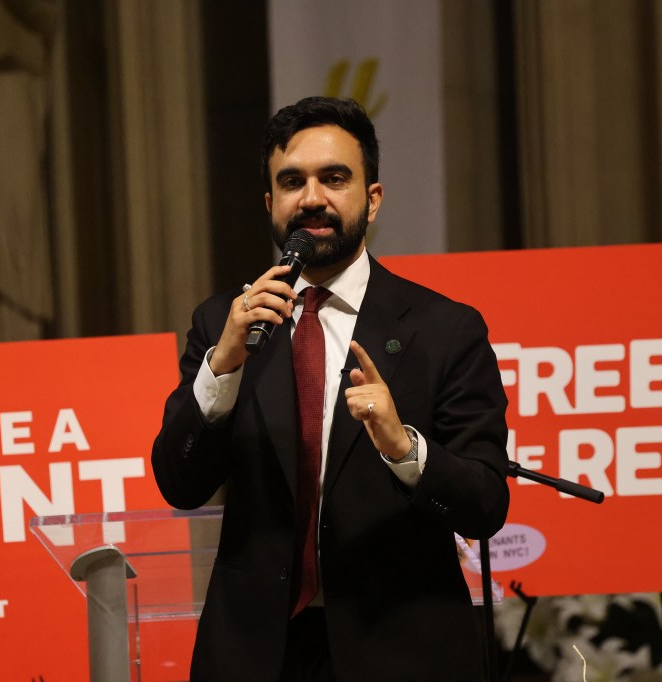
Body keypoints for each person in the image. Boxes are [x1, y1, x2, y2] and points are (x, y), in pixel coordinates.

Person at [152, 96, 510, 681]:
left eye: (334, 178)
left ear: (372, 200)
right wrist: (222, 366)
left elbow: (485, 505)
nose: (312, 198)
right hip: (258, 655)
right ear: (270, 204)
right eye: (292, 182)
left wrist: (404, 449)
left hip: (402, 652)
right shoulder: (224, 325)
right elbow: (180, 484)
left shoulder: (444, 329)